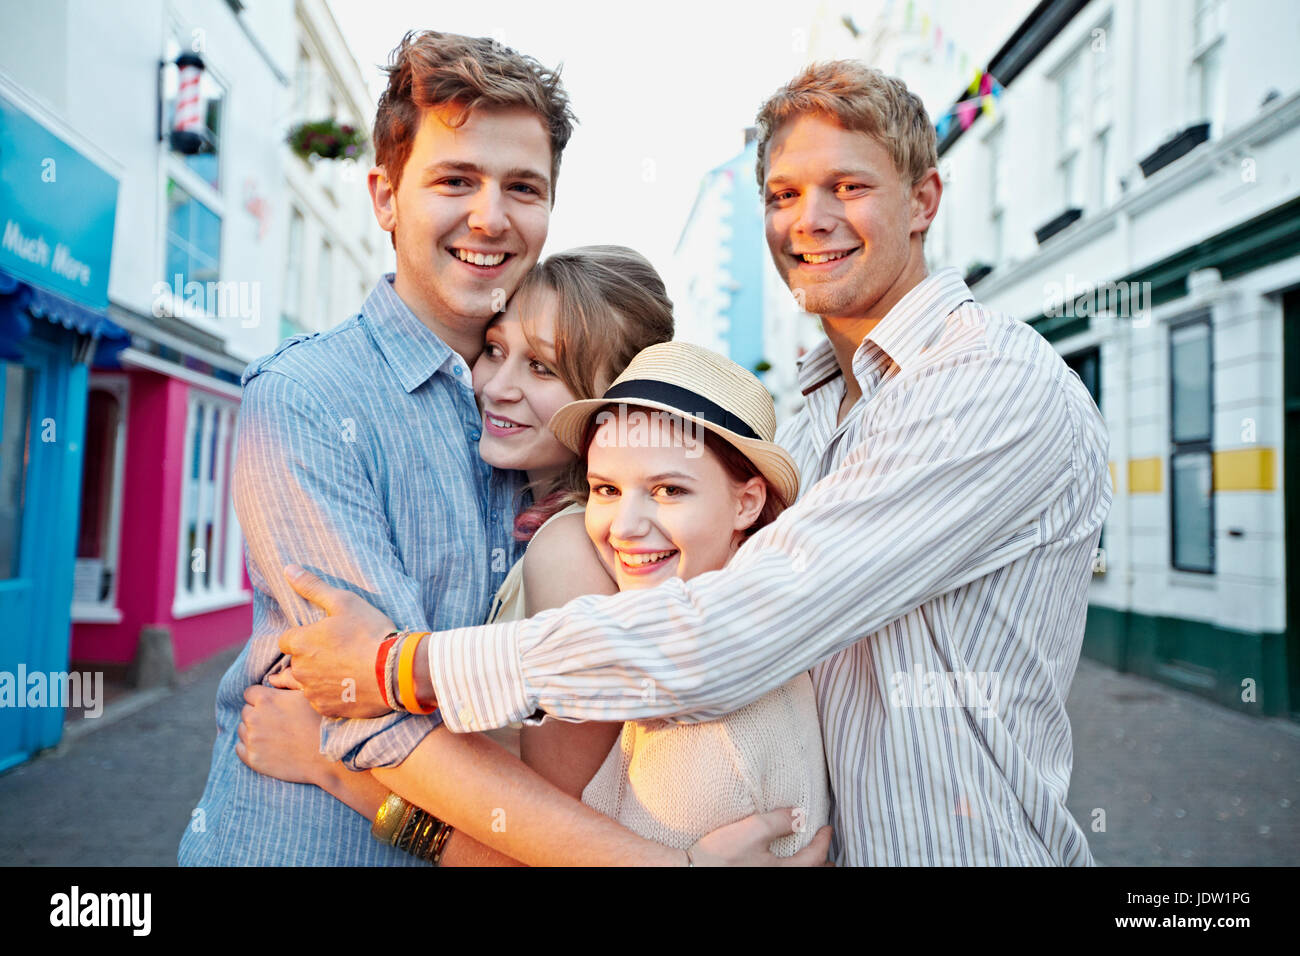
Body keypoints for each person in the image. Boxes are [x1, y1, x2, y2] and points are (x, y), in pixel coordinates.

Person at [277, 60, 1112, 866]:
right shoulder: (821, 412)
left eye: (849, 187)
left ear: (924, 200)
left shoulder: (987, 384)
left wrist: (398, 671)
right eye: (784, 195)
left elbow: (731, 632)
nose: (810, 219)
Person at [177, 29, 577, 866]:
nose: (491, 217)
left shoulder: (560, 413)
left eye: (523, 187)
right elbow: (387, 722)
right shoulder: (305, 396)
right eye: (456, 180)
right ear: (386, 197)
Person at [240, 342, 832, 860]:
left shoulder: (712, 730)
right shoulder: (730, 642)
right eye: (605, 489)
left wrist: (340, 774)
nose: (624, 526)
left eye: (668, 490)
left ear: (747, 504)